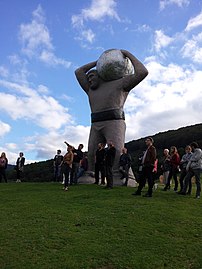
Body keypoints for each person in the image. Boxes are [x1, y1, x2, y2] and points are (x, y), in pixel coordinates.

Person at [75, 49, 148, 176]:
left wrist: (127, 54)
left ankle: (117, 174)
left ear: (101, 77)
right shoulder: (90, 90)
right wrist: (98, 63)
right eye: (88, 78)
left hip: (114, 122)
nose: (89, 79)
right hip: (96, 123)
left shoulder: (120, 83)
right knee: (92, 152)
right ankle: (91, 173)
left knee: (117, 151)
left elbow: (142, 72)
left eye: (92, 76)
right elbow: (79, 72)